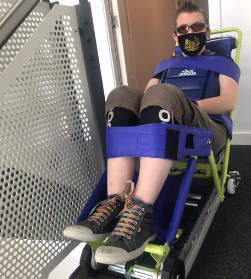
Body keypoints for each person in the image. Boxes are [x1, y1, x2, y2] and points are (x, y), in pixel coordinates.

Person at [63, 1, 239, 265]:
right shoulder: (165, 65)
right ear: (175, 36)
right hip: (167, 123)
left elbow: (227, 101)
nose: (190, 32)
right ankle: (115, 204)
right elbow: (144, 99)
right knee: (121, 95)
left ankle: (141, 216)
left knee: (163, 93)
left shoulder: (221, 62)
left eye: (197, 26)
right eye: (183, 28)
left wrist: (186, 105)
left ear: (207, 31)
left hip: (208, 130)